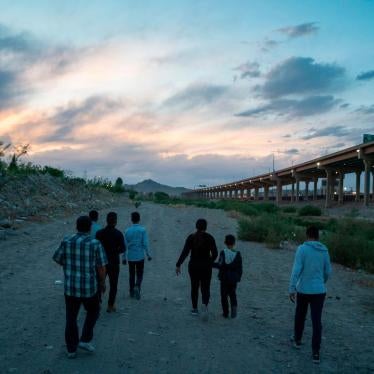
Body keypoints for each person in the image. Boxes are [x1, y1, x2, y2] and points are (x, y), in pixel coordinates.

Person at [53, 216, 107, 358]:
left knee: (71, 318)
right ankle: (85, 339)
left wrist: (70, 266)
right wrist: (102, 283)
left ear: (76, 226)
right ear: (90, 227)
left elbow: (57, 258)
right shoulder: (95, 243)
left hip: (71, 288)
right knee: (94, 312)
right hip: (89, 288)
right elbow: (101, 267)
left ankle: (71, 349)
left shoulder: (66, 241)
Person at [289, 225, 332, 364]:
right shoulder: (324, 250)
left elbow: (296, 270)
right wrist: (321, 282)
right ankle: (316, 353)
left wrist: (292, 288)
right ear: (318, 236)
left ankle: (297, 340)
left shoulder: (302, 249)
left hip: (303, 289)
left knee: (300, 315)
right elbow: (327, 272)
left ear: (307, 235)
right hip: (319, 291)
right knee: (316, 321)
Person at [176, 218, 218, 320]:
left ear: (196, 226)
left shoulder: (191, 237)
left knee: (194, 287)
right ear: (206, 227)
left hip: (193, 265)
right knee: (205, 287)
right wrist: (210, 261)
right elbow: (215, 254)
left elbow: (185, 252)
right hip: (206, 267)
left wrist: (178, 264)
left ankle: (194, 309)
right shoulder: (210, 238)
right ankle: (204, 305)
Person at [96, 212, 126, 313]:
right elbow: (123, 249)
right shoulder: (118, 233)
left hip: (101, 262)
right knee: (113, 285)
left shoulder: (99, 233)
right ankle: (110, 305)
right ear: (116, 221)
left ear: (106, 220)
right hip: (114, 262)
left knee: (99, 282)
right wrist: (114, 251)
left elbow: (96, 247)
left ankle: (97, 303)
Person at [122, 212, 151, 300]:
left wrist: (123, 257)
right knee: (139, 273)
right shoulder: (142, 230)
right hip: (140, 256)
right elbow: (145, 243)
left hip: (130, 256)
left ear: (131, 219)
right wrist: (148, 254)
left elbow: (124, 245)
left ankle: (131, 292)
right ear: (139, 219)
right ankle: (137, 286)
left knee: (131, 274)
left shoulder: (127, 231)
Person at [213, 234, 242, 319]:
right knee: (233, 294)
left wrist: (210, 264)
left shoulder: (223, 252)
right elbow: (240, 267)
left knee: (224, 295)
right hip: (233, 278)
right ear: (234, 243)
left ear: (225, 242)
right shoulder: (237, 254)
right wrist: (238, 277)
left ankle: (225, 313)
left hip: (224, 277)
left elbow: (220, 264)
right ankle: (234, 312)